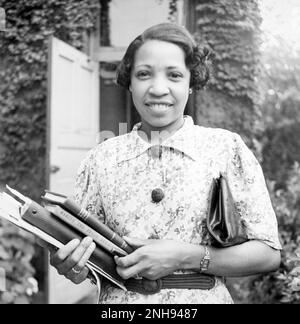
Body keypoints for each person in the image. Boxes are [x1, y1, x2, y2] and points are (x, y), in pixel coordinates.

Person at [46, 23, 281, 304]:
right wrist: (73, 266)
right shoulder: (101, 159)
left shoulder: (226, 149)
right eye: (144, 74)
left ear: (191, 84)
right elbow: (86, 254)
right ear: (129, 81)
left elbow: (268, 254)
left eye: (174, 75)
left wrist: (186, 256)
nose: (158, 89)